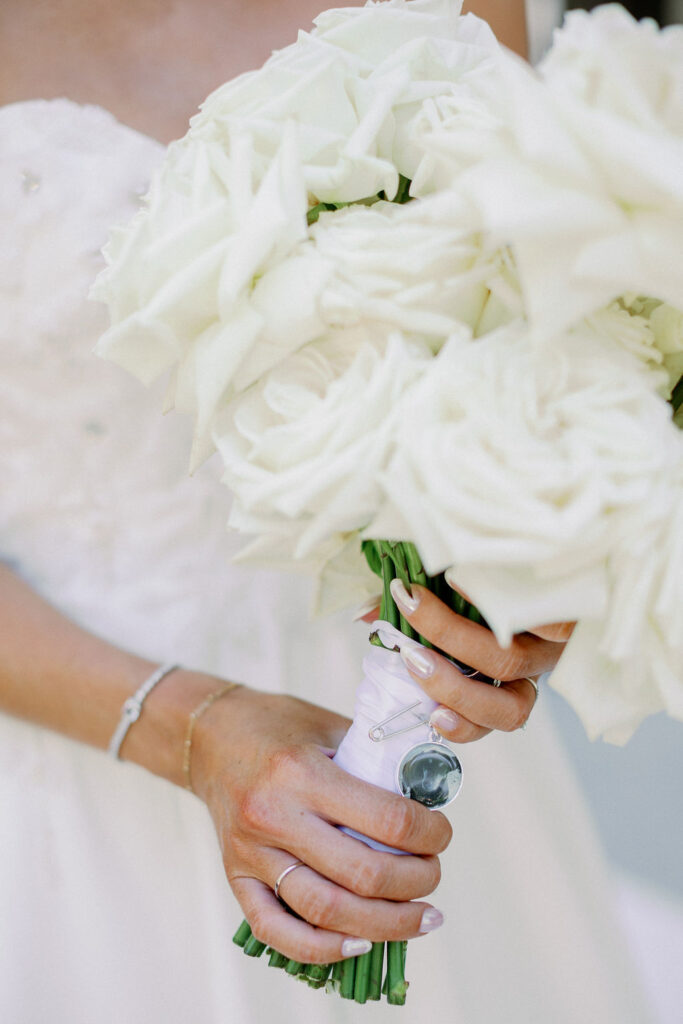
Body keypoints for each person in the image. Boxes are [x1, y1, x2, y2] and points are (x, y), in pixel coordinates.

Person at [0, 1, 654, 1021]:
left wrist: (526, 569)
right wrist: (192, 728)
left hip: (391, 723)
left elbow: (554, 342)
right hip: (72, 727)